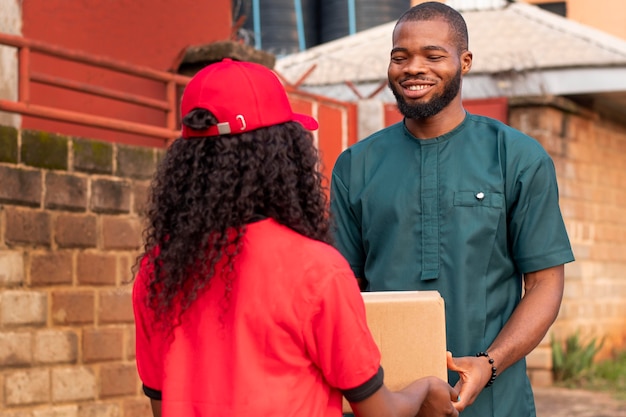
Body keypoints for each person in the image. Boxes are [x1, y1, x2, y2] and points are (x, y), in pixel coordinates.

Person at [132, 57, 460, 417]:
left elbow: (161, 403)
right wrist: (425, 388)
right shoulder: (317, 269)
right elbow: (379, 411)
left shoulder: (157, 271)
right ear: (284, 154)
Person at [330, 3, 575, 417]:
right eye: (400, 57)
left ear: (464, 62)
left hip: (497, 400)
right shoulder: (357, 165)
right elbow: (342, 290)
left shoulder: (516, 157)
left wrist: (489, 364)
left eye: (433, 55)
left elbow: (544, 284)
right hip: (386, 401)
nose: (413, 68)